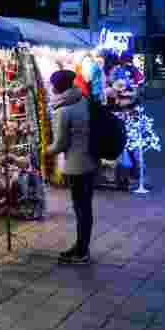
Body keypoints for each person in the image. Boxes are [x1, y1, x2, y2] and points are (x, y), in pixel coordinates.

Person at [46, 70, 98, 265]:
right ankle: (81, 246)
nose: (51, 88)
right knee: (86, 208)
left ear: (59, 87)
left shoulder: (63, 110)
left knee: (81, 209)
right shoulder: (82, 99)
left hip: (77, 166)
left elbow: (60, 144)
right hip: (91, 161)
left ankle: (82, 251)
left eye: (53, 84)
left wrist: (44, 150)